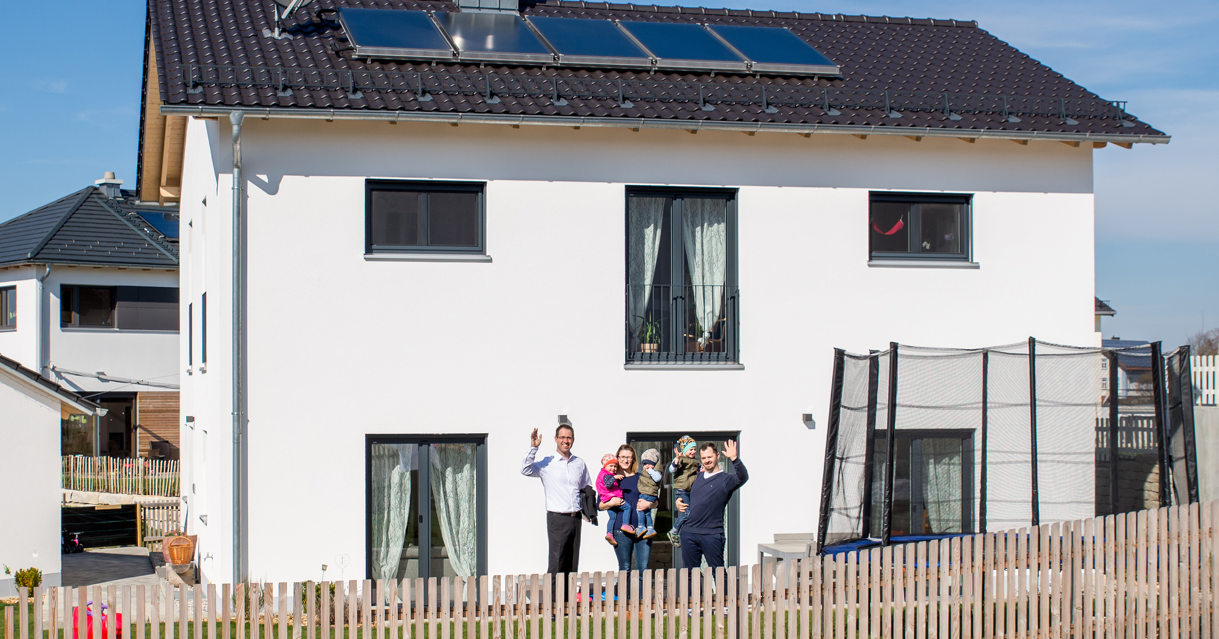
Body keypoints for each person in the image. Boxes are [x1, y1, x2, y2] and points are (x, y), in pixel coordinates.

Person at [522, 422, 592, 577]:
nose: (565, 441)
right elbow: (525, 469)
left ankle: (569, 600)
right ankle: (553, 600)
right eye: (562, 437)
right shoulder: (547, 463)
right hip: (557, 519)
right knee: (556, 565)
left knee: (572, 565)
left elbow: (586, 488)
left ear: (573, 440)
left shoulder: (579, 463)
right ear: (555, 439)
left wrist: (589, 511)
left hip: (576, 519)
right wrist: (533, 448)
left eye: (569, 438)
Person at [674, 440, 747, 571]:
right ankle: (692, 593)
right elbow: (685, 492)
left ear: (718, 456)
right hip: (689, 533)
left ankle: (723, 593)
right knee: (690, 575)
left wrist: (734, 459)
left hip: (712, 534)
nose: (706, 461)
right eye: (703, 458)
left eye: (709, 457)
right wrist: (678, 501)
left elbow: (742, 477)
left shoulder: (726, 479)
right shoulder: (697, 476)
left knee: (718, 573)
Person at [599, 445, 653, 583]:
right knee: (625, 568)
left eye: (629, 457)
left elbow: (655, 500)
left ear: (633, 459)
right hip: (620, 530)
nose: (626, 460)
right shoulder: (609, 479)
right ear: (617, 459)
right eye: (622, 457)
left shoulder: (641, 477)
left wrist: (650, 504)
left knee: (643, 569)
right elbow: (599, 505)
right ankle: (625, 602)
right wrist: (612, 503)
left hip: (643, 529)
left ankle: (643, 602)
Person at [667, 436, 700, 546]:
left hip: (690, 489)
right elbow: (672, 469)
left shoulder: (695, 461)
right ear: (685, 449)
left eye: (694, 449)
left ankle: (689, 532)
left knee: (692, 513)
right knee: (687, 513)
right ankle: (674, 531)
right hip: (681, 489)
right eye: (691, 449)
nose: (693, 451)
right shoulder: (680, 459)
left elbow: (698, 473)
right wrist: (676, 460)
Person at [596, 454, 635, 545]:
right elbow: (608, 484)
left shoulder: (605, 474)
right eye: (611, 466)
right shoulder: (606, 475)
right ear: (605, 466)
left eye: (615, 466)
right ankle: (625, 524)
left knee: (612, 517)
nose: (613, 468)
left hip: (607, 499)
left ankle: (609, 533)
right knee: (627, 507)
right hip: (611, 498)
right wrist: (614, 477)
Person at [635, 449, 662, 539]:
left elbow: (658, 478)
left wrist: (650, 471)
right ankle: (650, 528)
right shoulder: (644, 473)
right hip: (648, 494)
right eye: (645, 464)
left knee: (640, 509)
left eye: (649, 464)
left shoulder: (654, 472)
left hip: (648, 494)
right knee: (647, 513)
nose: (647, 466)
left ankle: (641, 526)